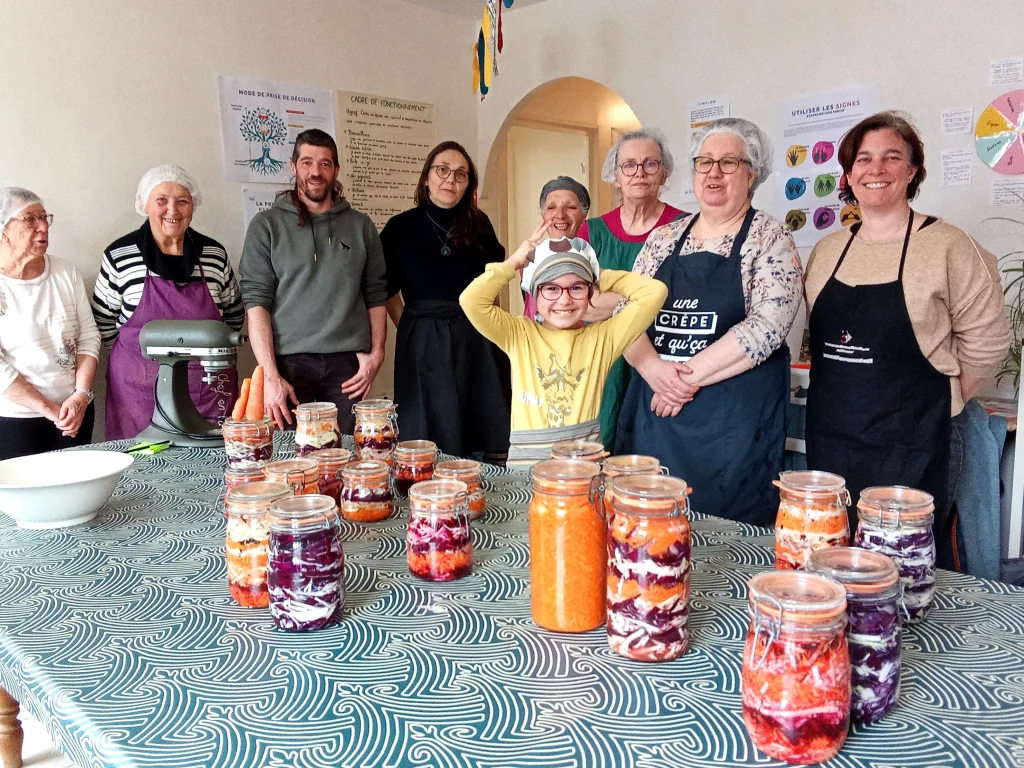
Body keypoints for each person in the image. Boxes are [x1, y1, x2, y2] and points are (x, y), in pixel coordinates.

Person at [804, 111, 1010, 536]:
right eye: (863, 159)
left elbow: (989, 340)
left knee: (903, 567)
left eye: (891, 157)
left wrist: (948, 401)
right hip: (833, 435)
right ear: (847, 173)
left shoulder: (949, 245)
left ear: (912, 170)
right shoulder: (827, 250)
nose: (876, 169)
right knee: (830, 551)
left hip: (913, 441)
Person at [616, 118, 802, 526]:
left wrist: (679, 381)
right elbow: (625, 314)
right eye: (704, 162)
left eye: (729, 162)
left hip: (730, 427)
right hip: (655, 416)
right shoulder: (665, 238)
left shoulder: (771, 238)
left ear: (752, 174)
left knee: (724, 540)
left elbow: (766, 328)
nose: (714, 173)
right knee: (648, 530)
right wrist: (651, 367)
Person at [460, 229, 667, 467]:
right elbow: (471, 300)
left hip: (582, 470)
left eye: (577, 288)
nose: (564, 299)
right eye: (552, 288)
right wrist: (513, 263)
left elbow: (654, 292)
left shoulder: (604, 337)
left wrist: (600, 276)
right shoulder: (518, 334)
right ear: (535, 294)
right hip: (527, 470)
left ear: (590, 292)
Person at [240, 129, 388, 432]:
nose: (315, 172)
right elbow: (256, 303)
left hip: (348, 367)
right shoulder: (266, 226)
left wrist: (376, 355)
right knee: (293, 462)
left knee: (345, 457)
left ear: (335, 169)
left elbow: (376, 294)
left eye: (324, 163)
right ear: (294, 167)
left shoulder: (361, 226)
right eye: (307, 162)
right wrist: (270, 376)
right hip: (288, 368)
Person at [381, 141, 511, 462]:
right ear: (427, 177)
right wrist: (415, 325)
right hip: (422, 338)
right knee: (427, 421)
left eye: (461, 174)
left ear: (468, 184)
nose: (450, 180)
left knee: (477, 418)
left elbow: (492, 285)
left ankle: (479, 487)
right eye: (442, 170)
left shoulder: (479, 225)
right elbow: (385, 292)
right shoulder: (400, 228)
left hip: (476, 337)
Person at [93, 166, 243, 441]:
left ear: (193, 206)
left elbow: (233, 315)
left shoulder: (213, 255)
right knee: (141, 469)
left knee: (209, 465)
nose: (172, 210)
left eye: (182, 201)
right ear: (145, 204)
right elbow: (103, 323)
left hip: (208, 387)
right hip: (137, 389)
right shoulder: (119, 256)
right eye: (161, 200)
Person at [581, 128, 687, 447]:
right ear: (615, 176)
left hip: (663, 360)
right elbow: (580, 305)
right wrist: (644, 301)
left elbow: (684, 301)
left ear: (663, 172)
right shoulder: (591, 232)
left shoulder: (686, 228)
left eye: (650, 164)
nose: (639, 172)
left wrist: (609, 302)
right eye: (629, 165)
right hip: (604, 364)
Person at [0, 188, 100, 460]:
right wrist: (49, 409)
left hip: (75, 410)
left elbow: (89, 335)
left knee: (76, 495)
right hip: (16, 419)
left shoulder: (65, 272)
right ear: (3, 229)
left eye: (45, 218)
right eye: (30, 219)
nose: (43, 227)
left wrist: (81, 395)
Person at [522, 176, 591, 319]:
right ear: (544, 215)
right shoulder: (528, 259)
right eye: (551, 207)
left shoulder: (592, 260)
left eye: (570, 207)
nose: (560, 215)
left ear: (584, 216)